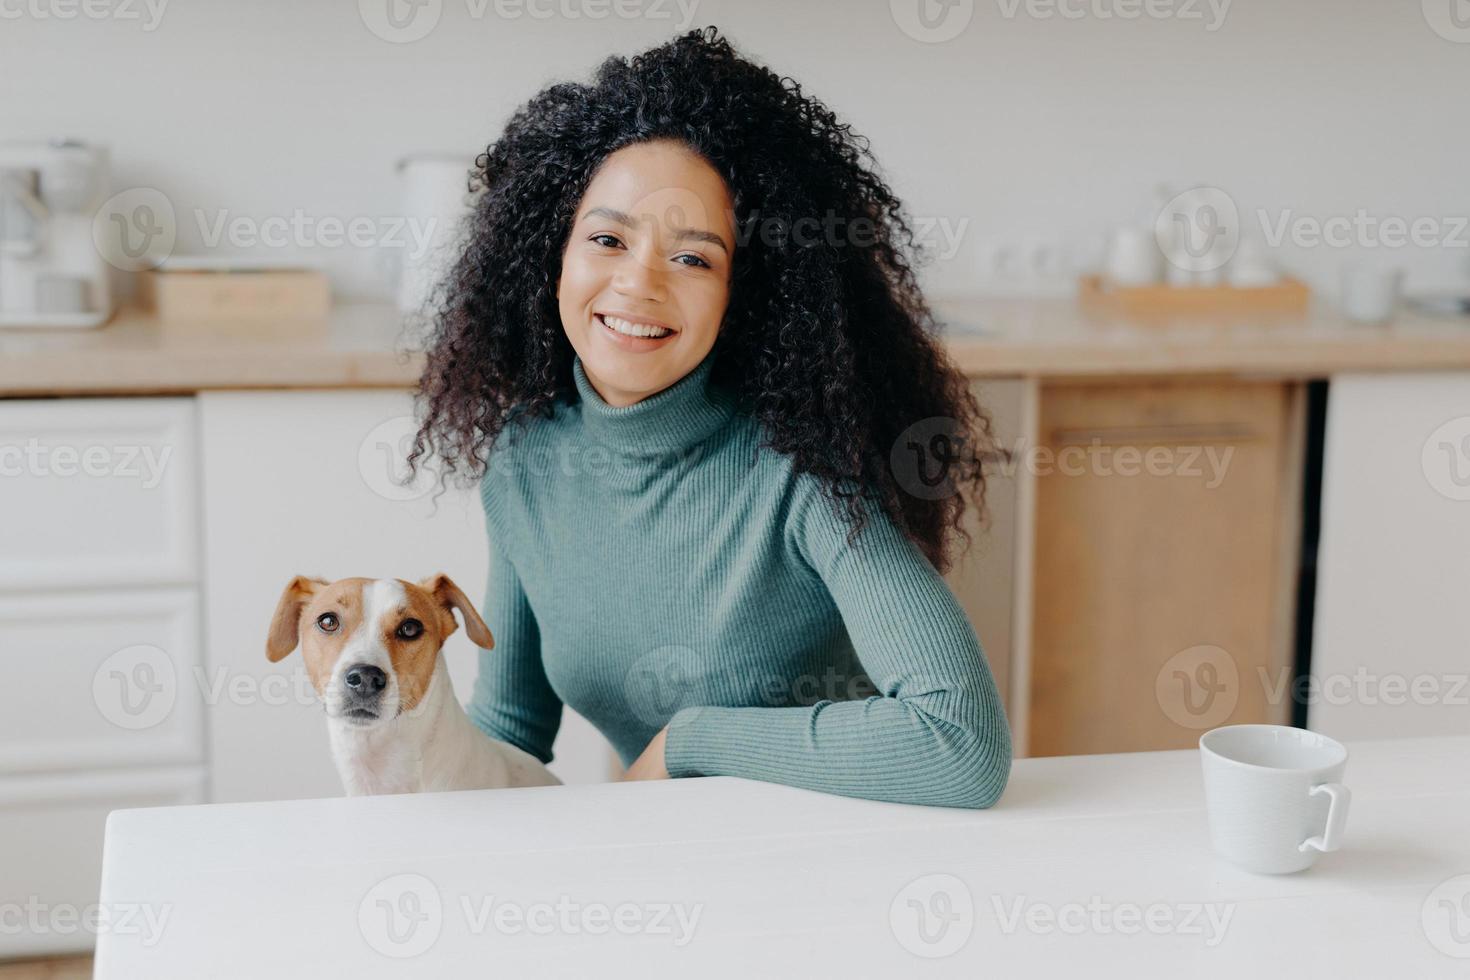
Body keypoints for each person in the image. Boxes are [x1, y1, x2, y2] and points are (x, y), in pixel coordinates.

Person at [407, 26, 1010, 808]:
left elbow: (960, 743)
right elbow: (512, 729)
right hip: (673, 864)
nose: (638, 283)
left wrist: (695, 741)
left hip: (842, 858)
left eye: (693, 257)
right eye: (606, 238)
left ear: (744, 295)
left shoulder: (803, 474)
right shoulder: (526, 460)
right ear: (551, 256)